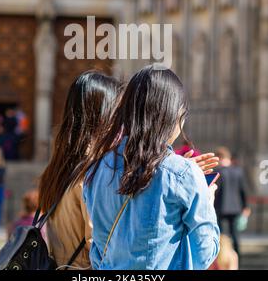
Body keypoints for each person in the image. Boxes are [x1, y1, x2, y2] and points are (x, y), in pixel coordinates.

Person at [80, 64, 220, 270]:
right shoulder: (183, 174)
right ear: (172, 115)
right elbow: (204, 254)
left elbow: (98, 251)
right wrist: (206, 200)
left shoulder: (96, 169)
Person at [39, 71, 122, 270]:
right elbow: (100, 246)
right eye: (118, 111)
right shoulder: (92, 172)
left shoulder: (58, 169)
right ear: (104, 115)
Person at [214, 146, 250, 259]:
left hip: (220, 207)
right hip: (235, 208)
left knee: (219, 236)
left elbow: (215, 190)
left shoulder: (218, 172)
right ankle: (236, 260)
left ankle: (220, 261)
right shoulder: (238, 171)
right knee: (235, 236)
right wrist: (246, 207)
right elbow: (243, 190)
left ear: (219, 157)